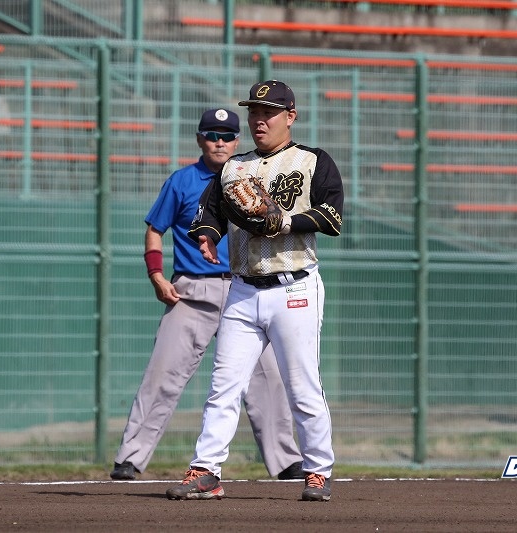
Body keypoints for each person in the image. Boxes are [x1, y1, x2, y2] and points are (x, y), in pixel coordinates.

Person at [167, 80, 344, 502]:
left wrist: (285, 221)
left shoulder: (313, 161)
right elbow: (210, 211)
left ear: (290, 116)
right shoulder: (234, 166)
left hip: (294, 287)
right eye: (254, 112)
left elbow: (331, 216)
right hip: (243, 290)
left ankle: (318, 471)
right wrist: (208, 235)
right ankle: (206, 470)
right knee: (224, 386)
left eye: (268, 112)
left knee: (301, 386)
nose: (259, 120)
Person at [110, 108, 305, 481]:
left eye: (227, 136)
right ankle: (130, 458)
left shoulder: (253, 176)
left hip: (246, 289)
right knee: (162, 375)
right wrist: (156, 275)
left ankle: (285, 461)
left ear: (237, 140)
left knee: (268, 380)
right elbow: (155, 230)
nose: (220, 142)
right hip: (192, 293)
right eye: (212, 135)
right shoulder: (182, 181)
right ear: (200, 139)